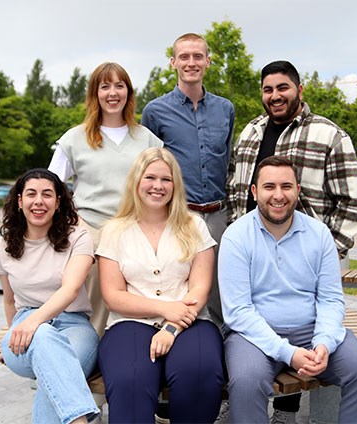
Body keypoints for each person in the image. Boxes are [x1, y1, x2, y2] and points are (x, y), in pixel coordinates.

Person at [225, 60, 357, 421]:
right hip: (253, 246)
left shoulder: (328, 134)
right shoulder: (251, 132)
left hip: (308, 252)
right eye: (268, 89)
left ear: (299, 90)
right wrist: (236, 234)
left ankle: (286, 412)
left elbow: (352, 200)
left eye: (283, 88)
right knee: (248, 371)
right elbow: (235, 185)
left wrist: (322, 249)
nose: (275, 96)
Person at [219, 156, 357, 424]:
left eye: (286, 186)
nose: (278, 195)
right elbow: (238, 311)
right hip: (253, 335)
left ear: (298, 190)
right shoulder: (236, 237)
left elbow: (330, 298)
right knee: (246, 382)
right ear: (254, 191)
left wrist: (324, 342)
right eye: (269, 187)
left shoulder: (319, 234)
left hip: (311, 330)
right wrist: (289, 353)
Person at [96, 147, 225, 423]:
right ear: (136, 181)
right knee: (129, 379)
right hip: (129, 322)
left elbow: (200, 289)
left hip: (191, 321)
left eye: (166, 179)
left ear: (175, 184)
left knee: (199, 371)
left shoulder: (195, 225)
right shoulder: (114, 231)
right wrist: (166, 308)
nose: (158, 186)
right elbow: (113, 296)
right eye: (150, 178)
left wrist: (172, 326)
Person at [49, 62, 163, 336]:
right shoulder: (75, 138)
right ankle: (87, 352)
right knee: (93, 299)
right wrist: (72, 220)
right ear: (95, 93)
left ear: (128, 92)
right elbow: (52, 185)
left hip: (135, 230)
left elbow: (163, 183)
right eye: (105, 86)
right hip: (91, 229)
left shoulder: (147, 139)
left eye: (119, 85)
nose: (113, 93)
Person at [0, 168, 99, 424]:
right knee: (49, 347)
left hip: (74, 326)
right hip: (23, 329)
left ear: (59, 202)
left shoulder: (78, 237)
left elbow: (70, 290)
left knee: (54, 371)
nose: (39, 201)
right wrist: (13, 330)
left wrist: (33, 322)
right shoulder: (1, 247)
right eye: (31, 194)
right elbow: (8, 299)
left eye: (47, 194)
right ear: (19, 201)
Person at [141, 32, 235, 327]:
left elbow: (228, 160)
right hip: (179, 214)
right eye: (184, 56)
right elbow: (150, 168)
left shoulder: (226, 109)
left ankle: (221, 348)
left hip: (219, 214)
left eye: (197, 56)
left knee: (220, 287)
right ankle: (177, 342)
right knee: (178, 282)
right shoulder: (155, 112)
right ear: (173, 62)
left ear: (208, 61)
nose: (191, 62)